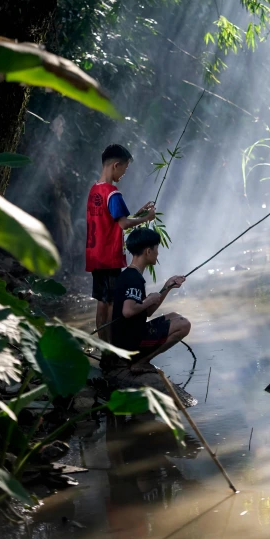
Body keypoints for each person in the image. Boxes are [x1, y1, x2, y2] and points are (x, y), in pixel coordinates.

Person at [86, 144, 156, 341]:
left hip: (95, 255)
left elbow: (112, 222)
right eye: (125, 168)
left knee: (102, 301)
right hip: (109, 257)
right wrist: (146, 219)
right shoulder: (113, 193)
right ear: (116, 165)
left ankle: (103, 346)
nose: (124, 173)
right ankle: (111, 350)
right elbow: (124, 224)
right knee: (111, 304)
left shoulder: (95, 190)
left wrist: (138, 213)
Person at [112, 228, 190, 374]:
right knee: (184, 325)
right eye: (156, 249)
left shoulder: (130, 275)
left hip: (130, 335)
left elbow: (146, 312)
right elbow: (128, 311)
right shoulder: (133, 279)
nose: (158, 253)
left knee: (174, 316)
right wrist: (149, 300)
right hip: (129, 343)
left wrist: (167, 287)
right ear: (148, 251)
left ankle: (139, 360)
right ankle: (141, 362)